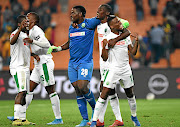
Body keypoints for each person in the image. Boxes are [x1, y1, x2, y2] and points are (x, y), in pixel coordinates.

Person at [47, 5, 130, 127]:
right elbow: (70, 42)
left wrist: (123, 22)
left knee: (83, 86)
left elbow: (108, 19)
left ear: (80, 14)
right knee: (77, 89)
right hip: (72, 63)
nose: (71, 15)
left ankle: (95, 112)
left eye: (73, 12)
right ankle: (85, 119)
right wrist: (58, 48)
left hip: (85, 62)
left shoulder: (90, 23)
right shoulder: (72, 27)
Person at [91, 15, 141, 127]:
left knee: (130, 94)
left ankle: (134, 116)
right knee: (103, 94)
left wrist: (136, 42)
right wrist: (104, 47)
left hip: (126, 69)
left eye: (119, 21)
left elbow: (133, 52)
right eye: (117, 22)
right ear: (111, 26)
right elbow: (104, 58)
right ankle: (94, 121)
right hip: (113, 69)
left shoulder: (125, 36)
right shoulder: (108, 38)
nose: (120, 23)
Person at [23, 12, 63, 125]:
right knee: (29, 89)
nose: (26, 20)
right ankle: (20, 115)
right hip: (38, 63)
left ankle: (58, 118)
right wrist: (34, 54)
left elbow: (46, 44)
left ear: (33, 21)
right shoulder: (30, 31)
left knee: (50, 90)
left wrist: (33, 41)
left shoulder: (35, 30)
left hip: (44, 62)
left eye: (28, 18)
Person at [93, 4, 130, 127]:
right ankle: (116, 119)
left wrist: (115, 40)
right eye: (98, 10)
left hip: (111, 62)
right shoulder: (98, 25)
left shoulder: (112, 24)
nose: (97, 12)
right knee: (108, 91)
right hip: (102, 61)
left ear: (107, 14)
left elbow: (127, 31)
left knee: (104, 89)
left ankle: (100, 120)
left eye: (100, 11)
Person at [8, 15, 35, 126]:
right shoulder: (15, 33)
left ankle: (23, 119)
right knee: (22, 91)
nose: (27, 24)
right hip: (18, 67)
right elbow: (12, 42)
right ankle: (16, 119)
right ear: (19, 24)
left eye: (28, 23)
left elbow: (25, 50)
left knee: (26, 93)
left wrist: (34, 55)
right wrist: (19, 29)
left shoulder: (24, 35)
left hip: (25, 67)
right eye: (25, 22)